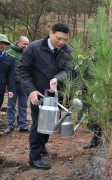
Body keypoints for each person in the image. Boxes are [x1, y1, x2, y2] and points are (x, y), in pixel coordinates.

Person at [17, 23, 73, 170]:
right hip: (39, 93)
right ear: (50, 33)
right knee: (38, 124)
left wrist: (57, 78)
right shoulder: (34, 48)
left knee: (50, 123)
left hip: (56, 94)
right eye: (59, 38)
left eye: (65, 40)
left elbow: (69, 69)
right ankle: (34, 157)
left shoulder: (68, 50)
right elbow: (22, 69)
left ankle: (42, 146)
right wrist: (31, 91)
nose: (62, 42)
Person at [4, 36, 30, 134]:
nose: (26, 46)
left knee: (23, 105)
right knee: (11, 105)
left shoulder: (28, 53)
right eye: (24, 44)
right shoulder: (9, 53)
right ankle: (10, 125)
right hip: (12, 84)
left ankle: (23, 125)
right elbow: (5, 70)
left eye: (27, 44)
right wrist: (6, 83)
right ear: (18, 43)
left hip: (24, 84)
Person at [0, 34, 15, 115]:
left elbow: (11, 75)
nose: (0, 45)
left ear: (6, 45)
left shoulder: (10, 58)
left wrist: (11, 90)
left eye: (3, 43)